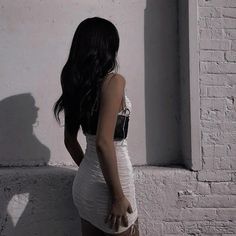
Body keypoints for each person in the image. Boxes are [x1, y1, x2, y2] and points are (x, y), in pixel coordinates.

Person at [53, 17, 139, 236]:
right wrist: (118, 197)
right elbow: (103, 142)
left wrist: (88, 169)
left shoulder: (75, 82)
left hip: (85, 185)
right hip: (110, 189)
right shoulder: (114, 81)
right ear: (107, 47)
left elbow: (69, 140)